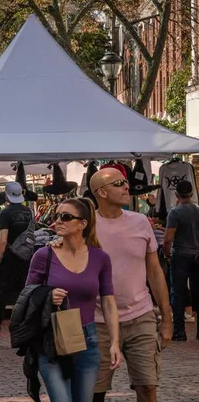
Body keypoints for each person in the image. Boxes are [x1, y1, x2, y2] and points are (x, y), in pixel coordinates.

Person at [26, 197, 120, 402]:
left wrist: (114, 342)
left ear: (82, 224)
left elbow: (108, 302)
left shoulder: (100, 258)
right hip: (51, 338)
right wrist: (47, 294)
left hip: (87, 339)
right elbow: (27, 294)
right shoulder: (44, 255)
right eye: (57, 216)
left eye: (66, 217)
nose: (58, 221)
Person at [90, 168, 172, 402]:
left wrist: (167, 319)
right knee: (95, 392)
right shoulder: (86, 226)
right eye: (119, 183)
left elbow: (155, 271)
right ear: (102, 192)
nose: (127, 186)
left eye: (125, 182)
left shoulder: (140, 222)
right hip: (98, 321)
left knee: (147, 387)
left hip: (141, 316)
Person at [0, 181, 34, 345]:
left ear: (7, 195)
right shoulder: (29, 212)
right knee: (24, 295)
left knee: (1, 295)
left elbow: (2, 240)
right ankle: (23, 332)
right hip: (26, 256)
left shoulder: (6, 213)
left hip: (10, 256)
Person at [164, 180, 199, 341]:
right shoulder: (197, 211)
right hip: (197, 255)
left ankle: (179, 332)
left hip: (180, 254)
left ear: (177, 194)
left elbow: (168, 237)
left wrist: (167, 253)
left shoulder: (175, 213)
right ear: (192, 194)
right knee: (197, 291)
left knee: (178, 293)